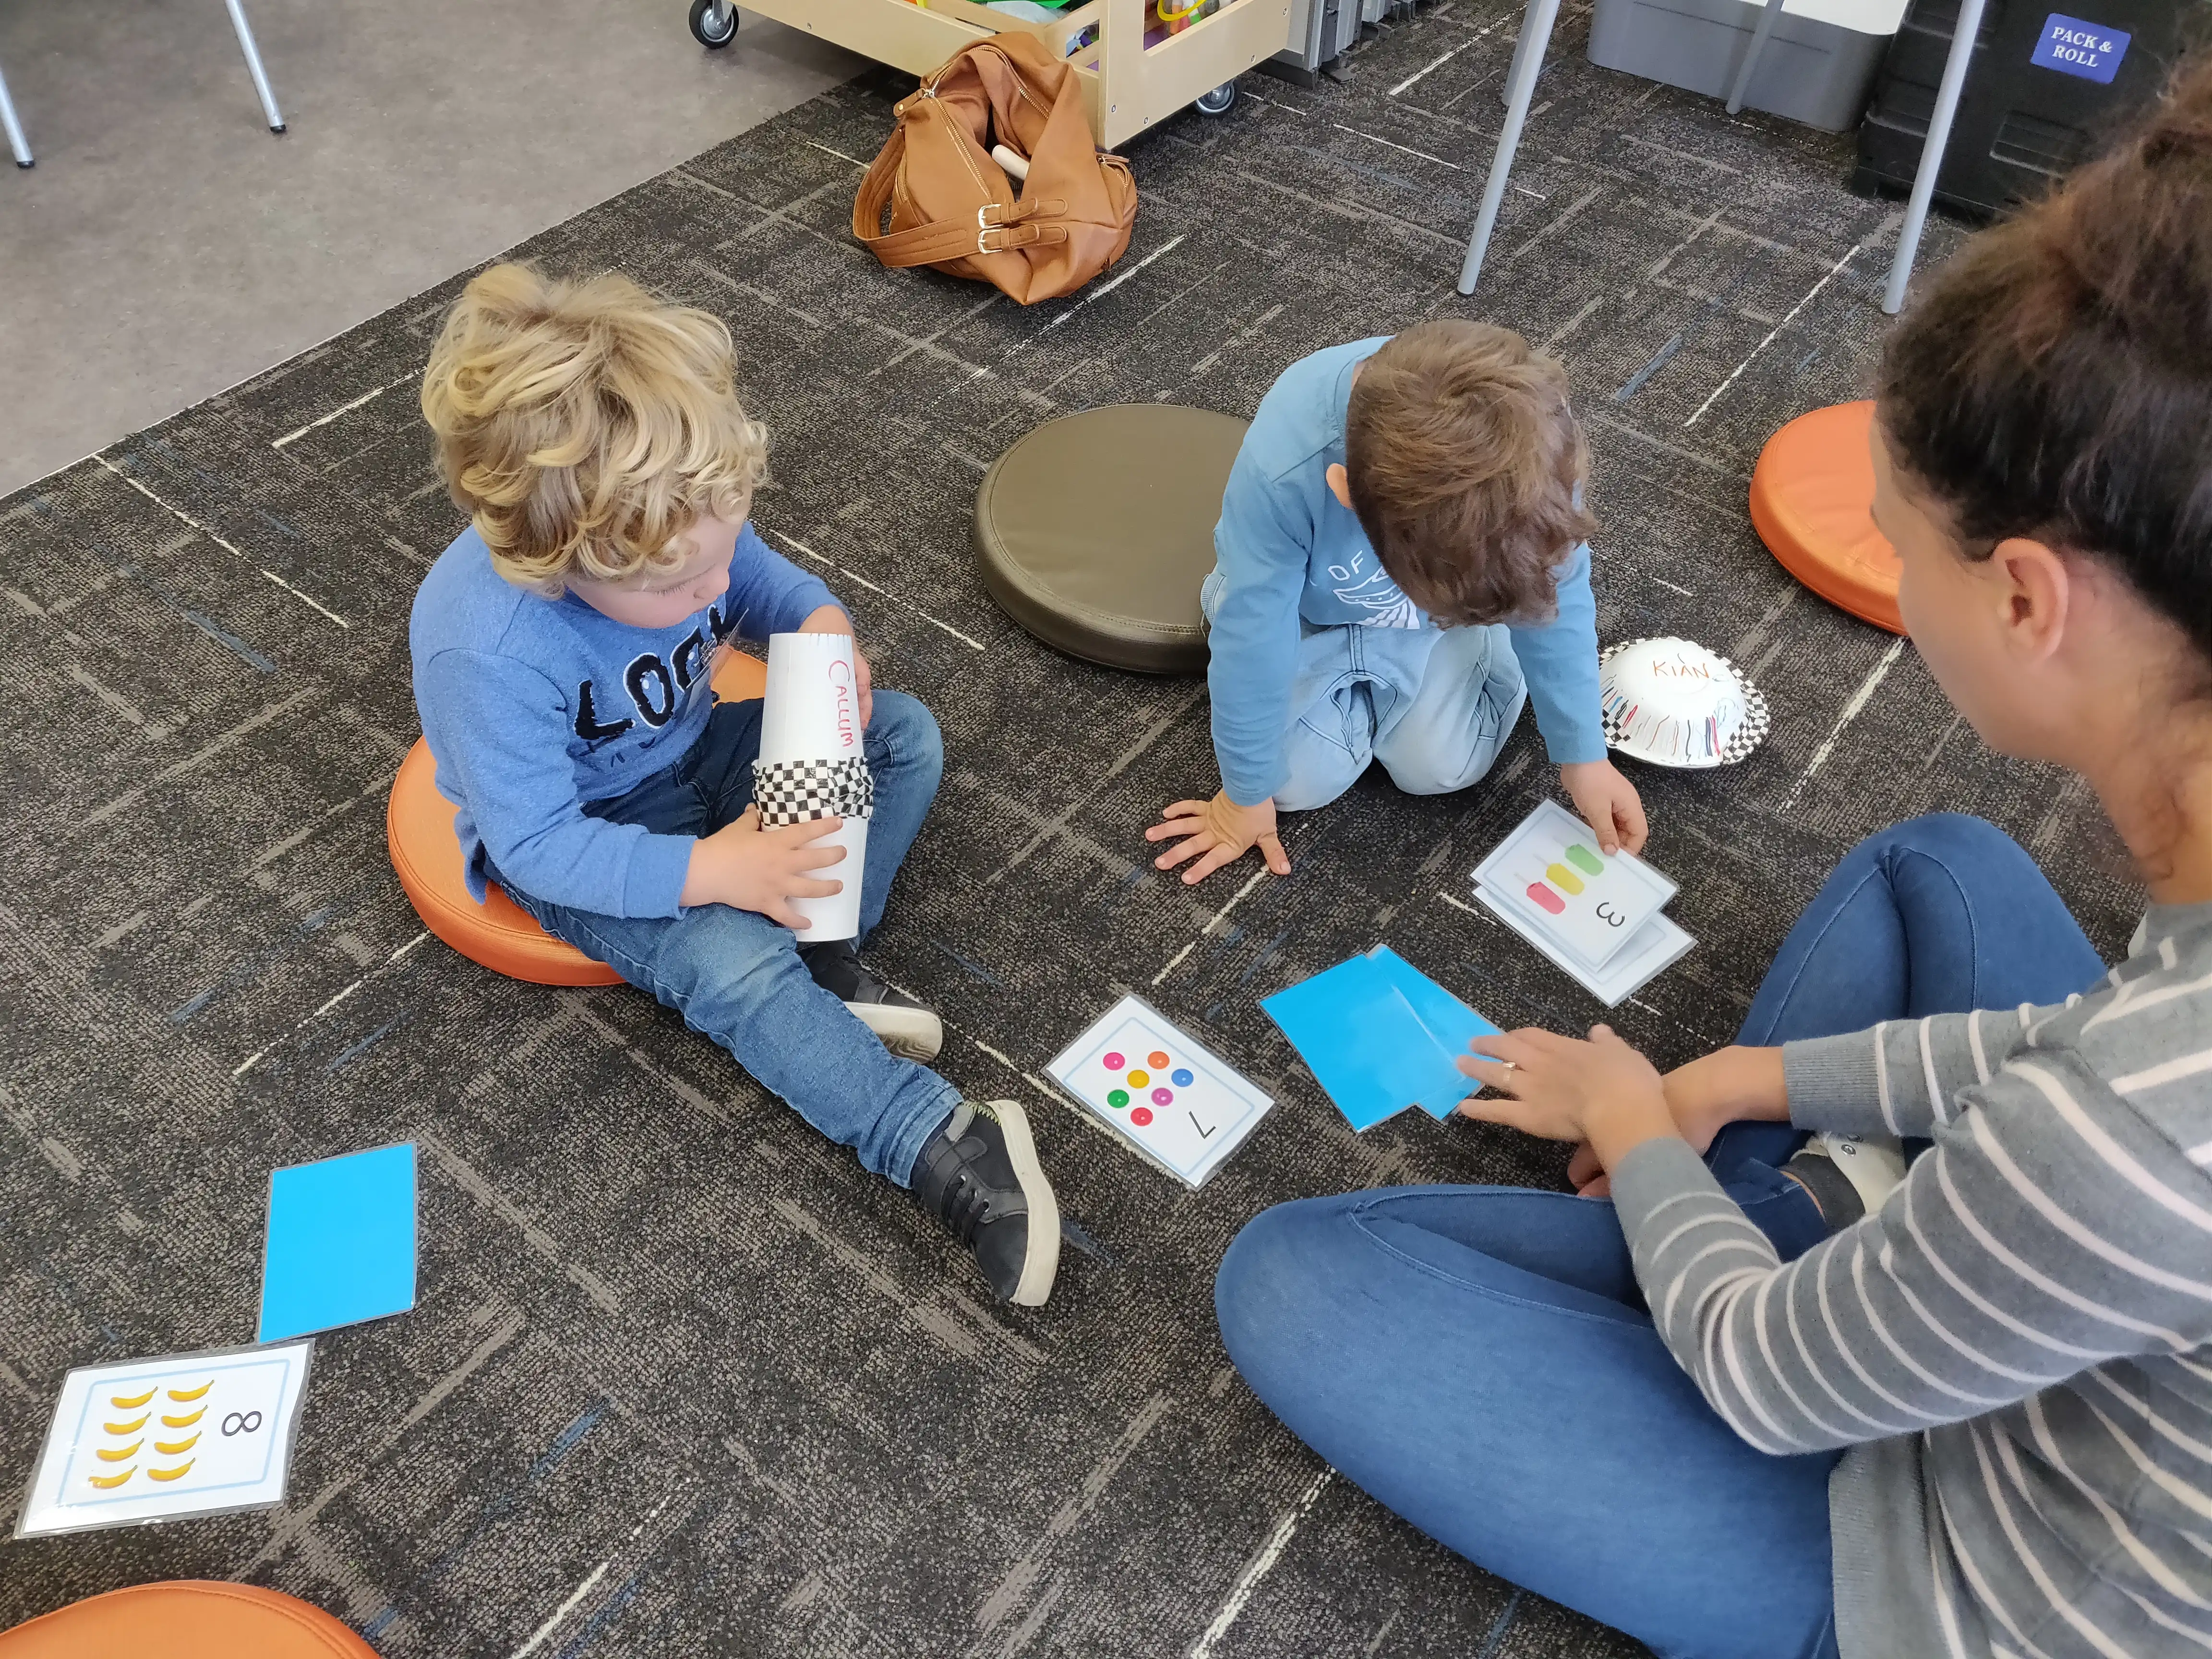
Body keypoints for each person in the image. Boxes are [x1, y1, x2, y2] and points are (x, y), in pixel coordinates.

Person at [1214, 60, 2212, 1659]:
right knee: (1932, 860)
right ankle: (1818, 1195)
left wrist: (1636, 1122)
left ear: (2025, 597)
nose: (1877, 555)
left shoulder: (2129, 1137)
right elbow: (2081, 1046)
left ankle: (1801, 1214)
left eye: (1893, 533)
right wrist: (1727, 1089)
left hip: (1945, 1559)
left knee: (1290, 1278)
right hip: (2028, 1283)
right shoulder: (2152, 1036)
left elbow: (1766, 1372)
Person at [409, 264, 1059, 1306]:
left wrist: (824, 633)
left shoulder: (676, 516)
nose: (711, 594)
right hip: (593, 833)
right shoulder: (483, 646)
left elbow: (768, 588)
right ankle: (942, 1143)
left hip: (695, 745)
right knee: (735, 973)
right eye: (676, 586)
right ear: (556, 560)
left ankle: (823, 954)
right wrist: (720, 868)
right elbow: (535, 844)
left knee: (902, 739)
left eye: (715, 553)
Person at [1147, 323, 1648, 886]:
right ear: (1345, 495)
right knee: (1286, 787)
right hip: (1311, 613)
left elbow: (1557, 599)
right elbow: (1253, 634)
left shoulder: (1539, 455)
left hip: (1428, 626)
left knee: (1446, 768)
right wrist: (1244, 797)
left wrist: (1583, 756)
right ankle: (1439, 644)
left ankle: (1470, 626)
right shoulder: (1288, 465)